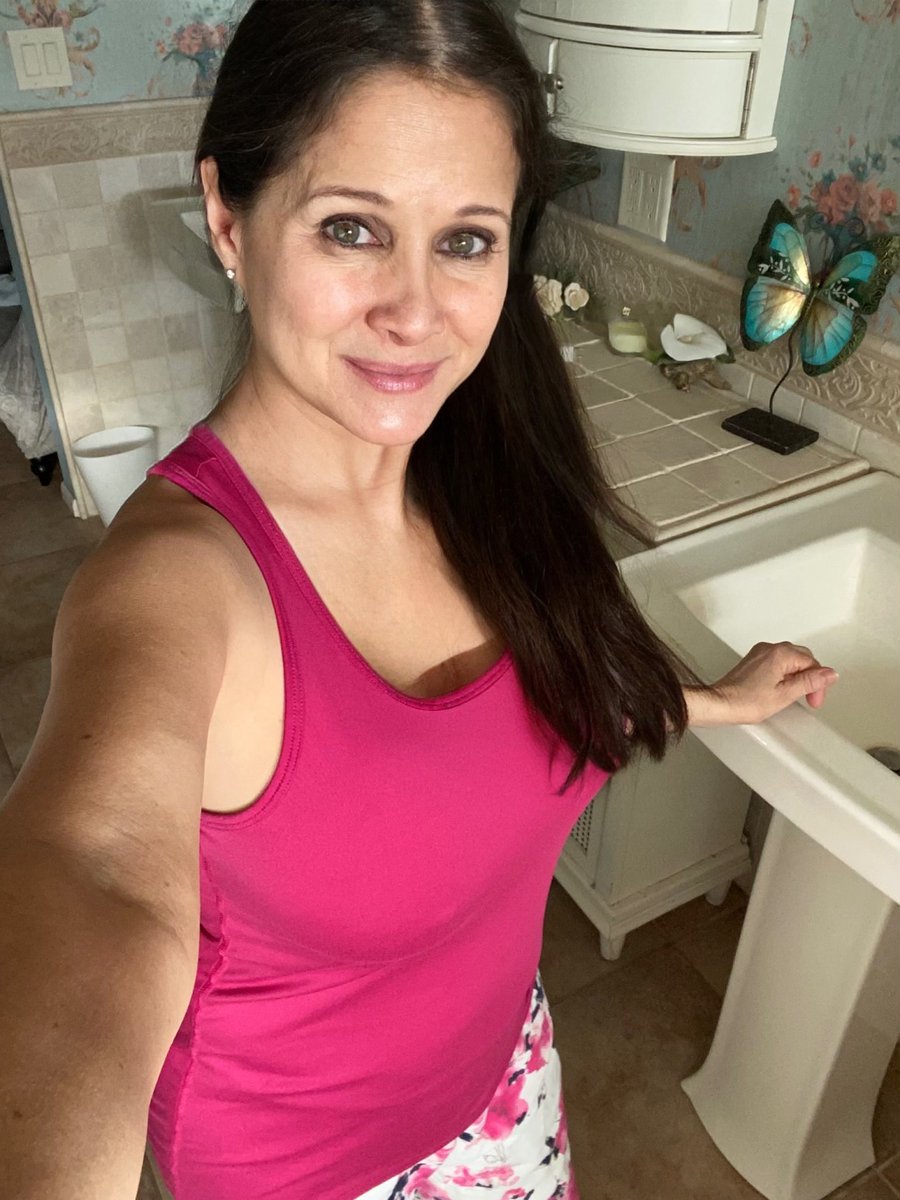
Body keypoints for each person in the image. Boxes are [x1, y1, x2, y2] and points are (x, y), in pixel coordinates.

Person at [0, 3, 839, 1198]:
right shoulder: (178, 582)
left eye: (466, 241)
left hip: (506, 1088)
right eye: (351, 228)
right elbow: (97, 875)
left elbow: (530, 711)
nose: (414, 311)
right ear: (229, 218)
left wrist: (710, 699)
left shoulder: (495, 478)